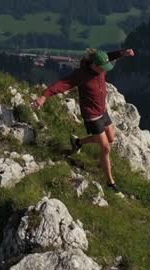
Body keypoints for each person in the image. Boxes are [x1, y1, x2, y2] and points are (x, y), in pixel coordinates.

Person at [32, 47, 136, 192]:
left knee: (111, 137)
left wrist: (122, 53)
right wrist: (44, 96)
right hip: (92, 115)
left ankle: (78, 142)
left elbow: (107, 57)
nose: (105, 70)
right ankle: (110, 183)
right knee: (106, 147)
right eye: (103, 68)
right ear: (95, 65)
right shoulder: (81, 75)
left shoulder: (100, 66)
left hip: (102, 110)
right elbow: (63, 83)